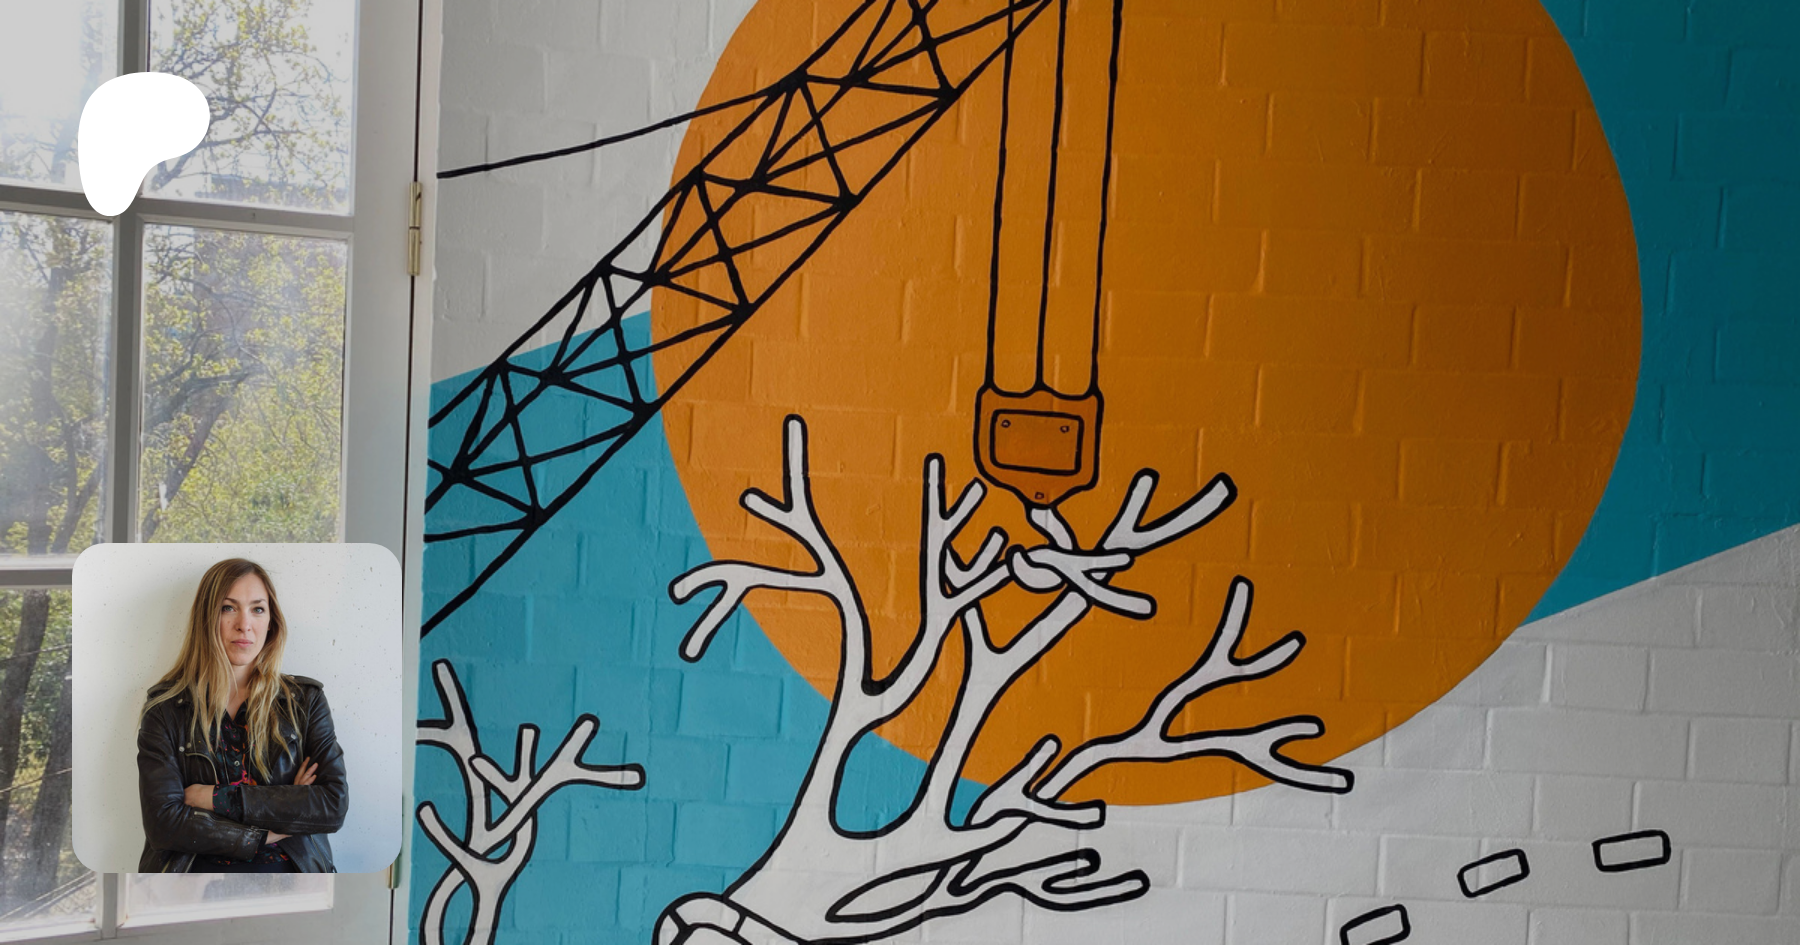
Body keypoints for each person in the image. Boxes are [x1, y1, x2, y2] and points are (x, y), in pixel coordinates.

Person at [136, 558, 347, 872]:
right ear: (207, 618)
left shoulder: (304, 701)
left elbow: (332, 806)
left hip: (293, 879)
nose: (244, 625)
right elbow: (164, 824)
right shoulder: (166, 708)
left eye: (257, 609)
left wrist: (214, 798)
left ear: (271, 622)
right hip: (192, 881)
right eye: (228, 608)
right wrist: (275, 828)